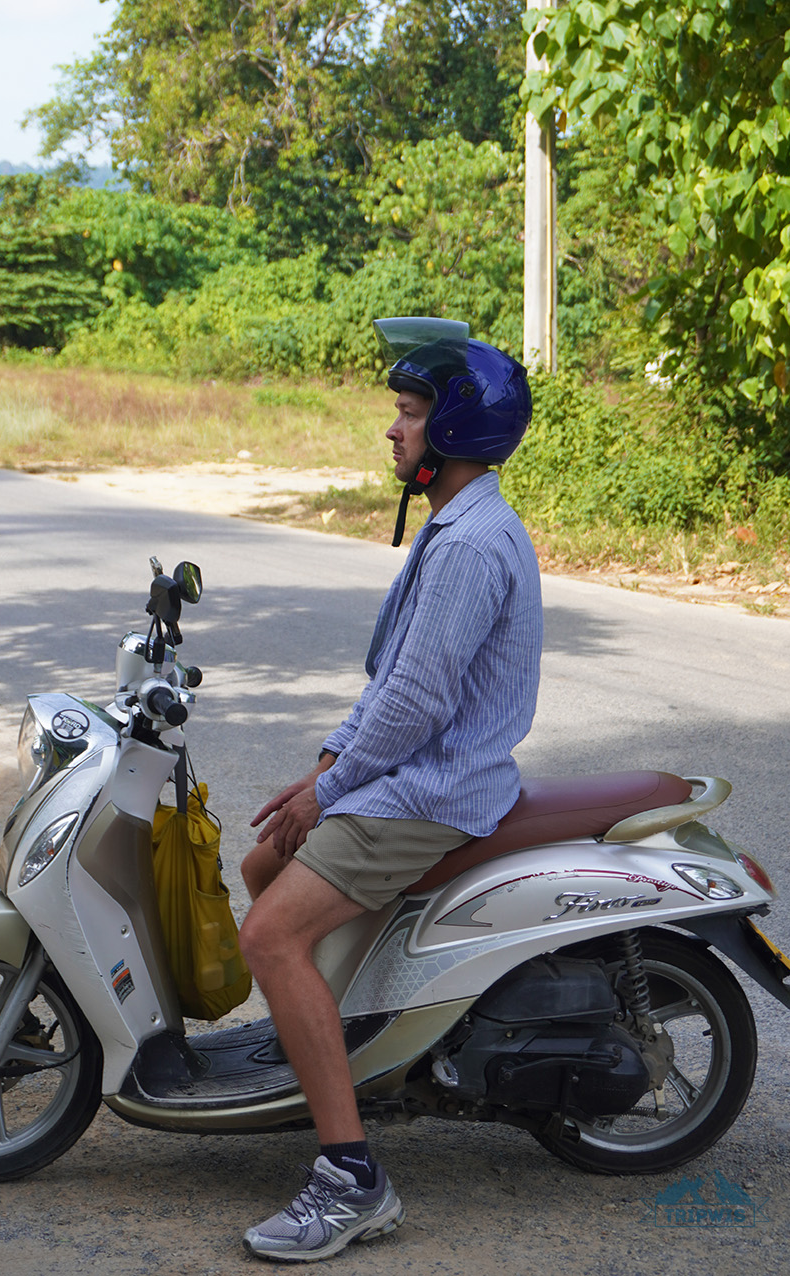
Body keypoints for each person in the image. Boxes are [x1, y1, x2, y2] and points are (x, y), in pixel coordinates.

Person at [237, 316, 543, 1262]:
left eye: (407, 414)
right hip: (417, 771)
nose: (392, 429)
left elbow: (414, 701)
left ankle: (350, 1179)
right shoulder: (463, 520)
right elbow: (396, 687)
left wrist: (328, 795)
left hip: (434, 791)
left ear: (451, 430)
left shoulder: (463, 544)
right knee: (262, 856)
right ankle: (335, 1047)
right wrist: (324, 770)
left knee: (267, 932)